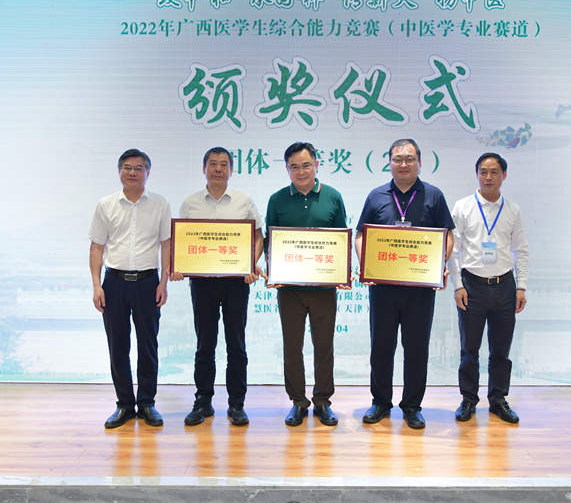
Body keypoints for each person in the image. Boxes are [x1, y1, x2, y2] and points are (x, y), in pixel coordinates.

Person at [354, 139, 455, 429]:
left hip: (420, 289)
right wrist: (367, 264)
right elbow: (361, 235)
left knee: (416, 348)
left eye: (409, 158)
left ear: (419, 162)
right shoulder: (376, 196)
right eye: (397, 159)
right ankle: (380, 403)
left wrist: (439, 264)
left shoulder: (434, 196)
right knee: (381, 347)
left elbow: (447, 235)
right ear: (389, 163)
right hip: (383, 287)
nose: (403, 164)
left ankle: (412, 406)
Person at [171, 147, 264, 427]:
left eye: (224, 164)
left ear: (231, 170)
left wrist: (251, 264)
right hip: (202, 283)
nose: (218, 169)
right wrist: (178, 264)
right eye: (213, 164)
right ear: (204, 169)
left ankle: (236, 403)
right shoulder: (190, 203)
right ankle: (203, 401)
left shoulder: (244, 200)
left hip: (236, 283)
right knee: (205, 344)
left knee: (236, 344)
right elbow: (182, 241)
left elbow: (258, 237)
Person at [265, 141, 348, 427]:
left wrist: (343, 273)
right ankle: (298, 402)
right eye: (294, 167)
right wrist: (272, 272)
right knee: (292, 347)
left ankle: (323, 400)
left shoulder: (333, 197)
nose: (301, 171)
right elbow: (270, 240)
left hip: (324, 288)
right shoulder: (277, 199)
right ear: (287, 169)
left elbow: (341, 240)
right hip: (289, 289)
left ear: (316, 165)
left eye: (306, 165)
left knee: (324, 346)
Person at [88, 149, 171, 429]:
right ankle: (124, 404)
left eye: (138, 168)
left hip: (148, 282)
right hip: (114, 283)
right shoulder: (105, 205)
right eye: (127, 167)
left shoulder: (160, 204)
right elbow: (97, 247)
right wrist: (97, 285)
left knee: (148, 346)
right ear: (119, 171)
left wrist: (163, 282)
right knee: (118, 345)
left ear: (148, 172)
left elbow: (166, 245)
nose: (132, 172)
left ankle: (147, 403)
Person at [447, 152, 529, 424]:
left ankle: (498, 399)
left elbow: (522, 250)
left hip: (505, 286)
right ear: (477, 175)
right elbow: (453, 250)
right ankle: (468, 399)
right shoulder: (463, 207)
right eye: (483, 172)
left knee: (501, 350)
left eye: (494, 172)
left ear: (504, 175)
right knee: (469, 349)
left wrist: (521, 287)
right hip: (472, 286)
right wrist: (458, 286)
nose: (488, 177)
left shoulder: (513, 210)